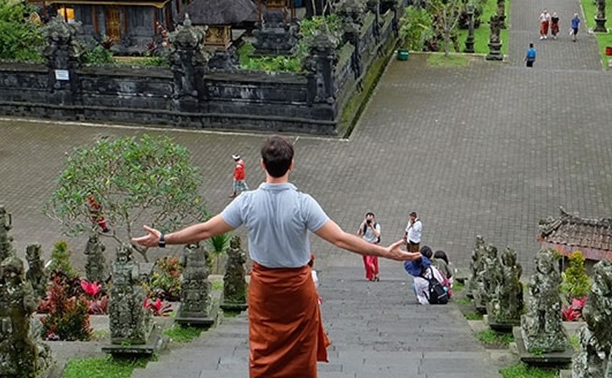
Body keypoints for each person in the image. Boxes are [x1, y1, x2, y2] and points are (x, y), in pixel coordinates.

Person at [131, 135, 418, 378]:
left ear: (261, 165)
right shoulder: (304, 203)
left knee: (263, 354)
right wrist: (386, 253)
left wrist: (164, 239)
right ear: (291, 164)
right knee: (300, 360)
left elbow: (205, 230)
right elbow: (342, 239)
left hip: (265, 289)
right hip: (297, 290)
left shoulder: (247, 202)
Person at [357, 212, 381, 281]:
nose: (369, 221)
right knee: (367, 261)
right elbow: (358, 233)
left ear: (373, 219)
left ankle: (374, 274)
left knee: (369, 262)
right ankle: (373, 275)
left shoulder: (377, 225)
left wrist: (372, 227)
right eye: (368, 219)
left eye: (371, 219)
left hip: (373, 244)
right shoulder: (364, 225)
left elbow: (377, 235)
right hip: (365, 244)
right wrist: (362, 225)